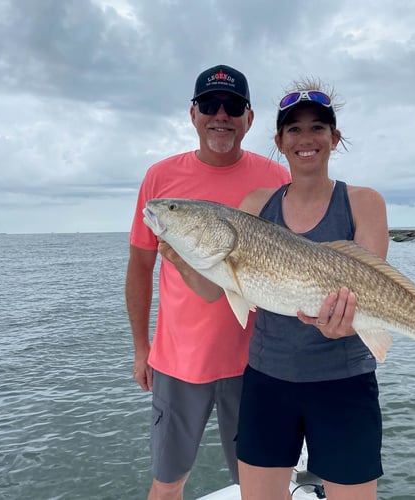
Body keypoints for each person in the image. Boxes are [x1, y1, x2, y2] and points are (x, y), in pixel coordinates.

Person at [125, 64, 290, 500]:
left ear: (249, 118)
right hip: (180, 361)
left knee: (261, 485)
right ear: (193, 114)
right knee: (167, 483)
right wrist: (142, 349)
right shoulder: (161, 182)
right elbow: (140, 266)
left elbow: (296, 264)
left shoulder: (277, 179)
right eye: (210, 105)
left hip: (259, 362)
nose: (221, 114)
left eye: (233, 106)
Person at [235, 79, 389, 500]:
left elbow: (373, 287)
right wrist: (179, 252)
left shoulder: (363, 202)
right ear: (280, 141)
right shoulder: (254, 207)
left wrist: (347, 322)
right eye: (294, 129)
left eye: (318, 127)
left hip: (344, 382)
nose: (307, 138)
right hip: (268, 379)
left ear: (334, 138)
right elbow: (220, 288)